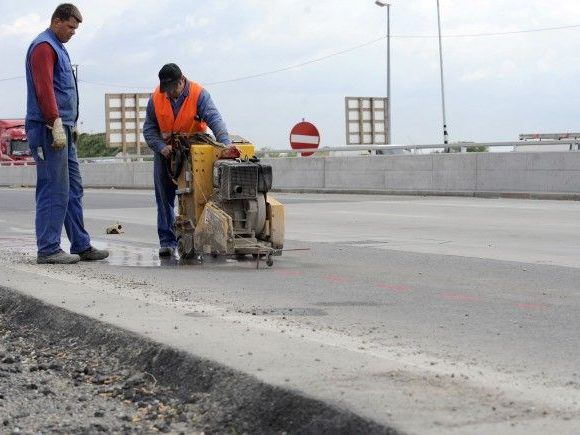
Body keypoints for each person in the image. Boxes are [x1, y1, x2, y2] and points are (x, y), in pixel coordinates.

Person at [25, 3, 109, 264]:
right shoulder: (44, 47)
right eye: (70, 27)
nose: (73, 32)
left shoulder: (59, 48)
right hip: (49, 130)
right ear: (57, 21)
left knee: (73, 188)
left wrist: (68, 125)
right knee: (54, 189)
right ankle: (48, 248)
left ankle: (81, 244)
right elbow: (44, 88)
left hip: (64, 130)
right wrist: (55, 122)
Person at [144, 63, 233, 257]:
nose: (169, 94)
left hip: (194, 153)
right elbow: (149, 129)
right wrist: (161, 147)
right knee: (164, 198)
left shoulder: (199, 94)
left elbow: (215, 120)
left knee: (200, 195)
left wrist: (226, 146)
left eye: (172, 89)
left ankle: (203, 236)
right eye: (165, 90)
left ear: (182, 80)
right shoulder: (156, 98)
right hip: (167, 154)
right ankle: (167, 241)